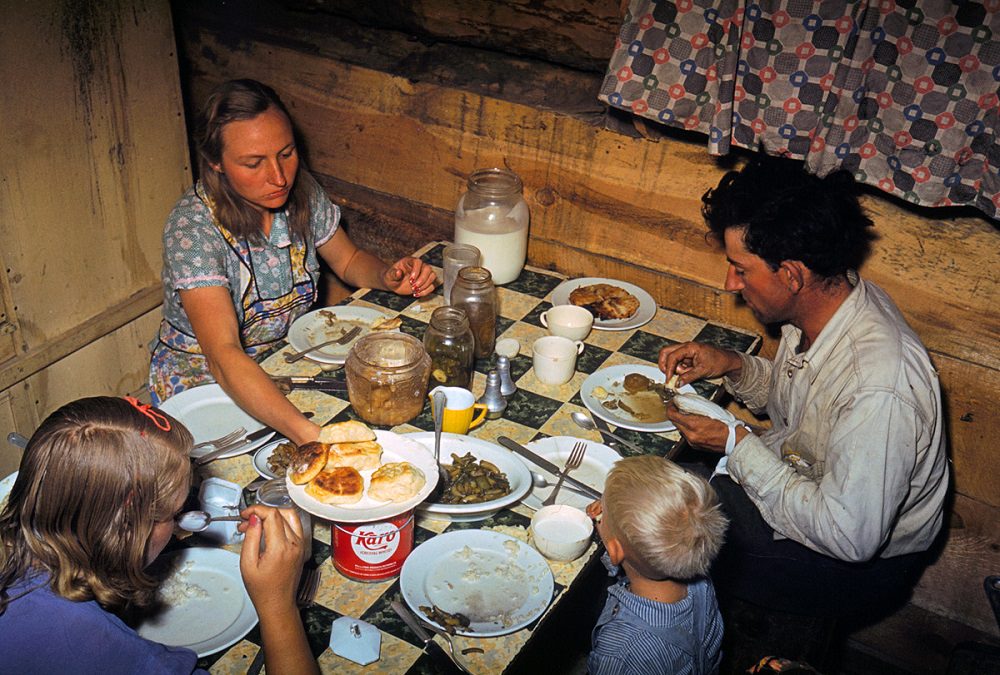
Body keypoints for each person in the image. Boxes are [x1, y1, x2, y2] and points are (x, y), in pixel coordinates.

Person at [658, 155, 949, 621]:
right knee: (662, 466)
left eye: (741, 268)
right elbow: (807, 405)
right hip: (808, 483)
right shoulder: (830, 304)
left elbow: (850, 537)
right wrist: (733, 366)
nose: (730, 283)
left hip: (852, 566)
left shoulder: (880, 386)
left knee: (658, 527)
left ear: (791, 275)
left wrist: (738, 443)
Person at [149, 79, 436, 445]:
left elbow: (347, 260)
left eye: (286, 153)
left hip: (284, 359)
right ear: (215, 163)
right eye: (254, 163)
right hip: (204, 382)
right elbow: (223, 355)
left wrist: (386, 275)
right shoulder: (192, 231)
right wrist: (308, 435)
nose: (279, 177)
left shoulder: (300, 191)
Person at [0, 396, 318, 675]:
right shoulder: (84, 641)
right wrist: (279, 607)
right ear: (128, 532)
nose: (180, 526)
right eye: (174, 514)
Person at [586, 455, 728, 675]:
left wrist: (612, 533)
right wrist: (612, 531)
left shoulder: (620, 650)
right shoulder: (700, 581)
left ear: (615, 550)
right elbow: (637, 561)